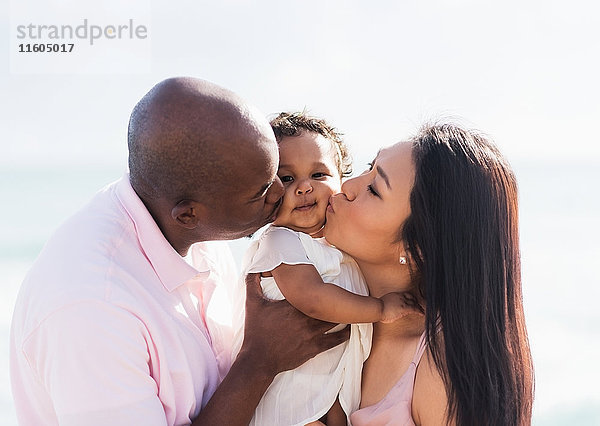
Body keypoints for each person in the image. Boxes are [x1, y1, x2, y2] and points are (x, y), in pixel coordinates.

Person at [9, 78, 350, 426]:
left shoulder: (191, 218)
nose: (281, 192)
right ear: (188, 214)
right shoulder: (91, 310)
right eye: (263, 189)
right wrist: (260, 362)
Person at [324, 124, 535, 425]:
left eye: (374, 189)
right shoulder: (324, 307)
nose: (347, 185)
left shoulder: (441, 370)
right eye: (368, 167)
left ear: (419, 248)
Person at [231, 112, 411, 426]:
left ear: (341, 179)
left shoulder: (338, 247)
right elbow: (311, 297)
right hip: (283, 397)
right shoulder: (280, 241)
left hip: (325, 388)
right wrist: (380, 308)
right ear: (266, 191)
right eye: (287, 179)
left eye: (318, 175)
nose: (304, 188)